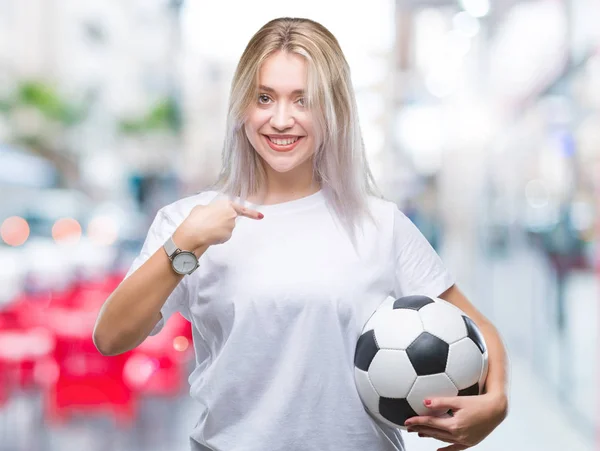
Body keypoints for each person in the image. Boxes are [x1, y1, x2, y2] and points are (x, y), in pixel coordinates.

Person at [93, 17, 508, 451]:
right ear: (242, 107)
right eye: (264, 97)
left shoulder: (378, 223)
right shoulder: (187, 221)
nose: (281, 119)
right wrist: (183, 246)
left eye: (302, 100)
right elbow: (111, 337)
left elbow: (478, 330)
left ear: (333, 110)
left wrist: (494, 406)